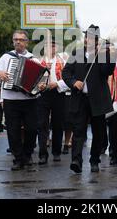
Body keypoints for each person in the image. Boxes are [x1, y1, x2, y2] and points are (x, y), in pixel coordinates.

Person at [62, 25, 116, 173]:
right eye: (87, 36)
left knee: (98, 132)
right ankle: (76, 161)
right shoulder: (76, 53)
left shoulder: (103, 55)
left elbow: (108, 71)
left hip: (98, 100)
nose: (88, 39)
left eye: (91, 38)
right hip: (80, 99)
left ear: (97, 40)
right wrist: (74, 82)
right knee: (78, 131)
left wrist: (111, 56)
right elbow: (66, 72)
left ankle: (94, 160)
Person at [0, 30, 41, 171]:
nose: (18, 42)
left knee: (31, 129)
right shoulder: (7, 57)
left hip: (29, 100)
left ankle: (28, 154)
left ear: (26, 42)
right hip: (11, 99)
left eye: (21, 39)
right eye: (15, 39)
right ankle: (18, 158)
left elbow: (41, 80)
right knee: (13, 130)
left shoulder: (34, 59)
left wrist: (41, 85)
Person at [37, 37, 70, 165]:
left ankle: (56, 152)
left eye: (54, 46)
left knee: (58, 124)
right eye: (49, 46)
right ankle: (42, 154)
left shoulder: (63, 61)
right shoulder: (38, 61)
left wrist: (57, 84)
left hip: (58, 93)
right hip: (43, 94)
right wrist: (39, 85)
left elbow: (68, 78)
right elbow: (33, 78)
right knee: (42, 125)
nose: (52, 48)